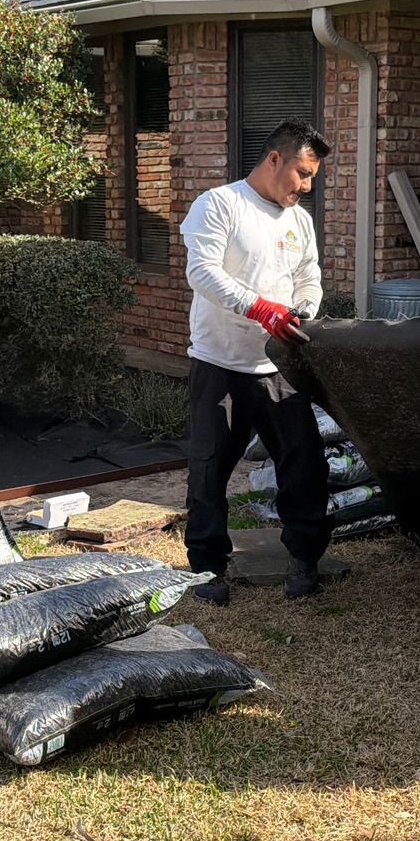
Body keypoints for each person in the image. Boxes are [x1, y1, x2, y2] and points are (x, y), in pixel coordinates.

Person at [180, 120, 334, 605]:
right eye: (302, 174)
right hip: (219, 365)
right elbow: (201, 272)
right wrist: (258, 307)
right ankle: (208, 569)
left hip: (278, 369)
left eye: (312, 178)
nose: (306, 187)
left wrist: (303, 309)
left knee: (304, 464)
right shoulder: (220, 204)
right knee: (208, 471)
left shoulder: (299, 221)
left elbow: (310, 277)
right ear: (274, 160)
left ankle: (304, 558)